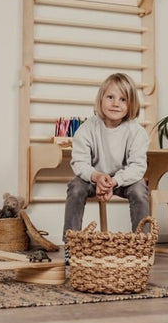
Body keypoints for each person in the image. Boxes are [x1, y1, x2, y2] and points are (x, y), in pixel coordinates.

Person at [63, 73, 150, 252]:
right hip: (94, 179)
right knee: (76, 187)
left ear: (131, 104)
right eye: (110, 97)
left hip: (122, 181)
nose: (116, 103)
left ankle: (142, 247)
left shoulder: (136, 132)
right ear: (101, 98)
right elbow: (79, 161)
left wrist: (115, 181)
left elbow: (137, 166)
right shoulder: (88, 128)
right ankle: (71, 246)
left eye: (123, 99)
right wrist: (96, 176)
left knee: (140, 191)